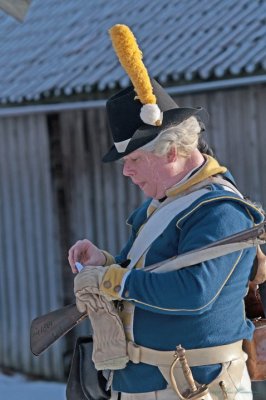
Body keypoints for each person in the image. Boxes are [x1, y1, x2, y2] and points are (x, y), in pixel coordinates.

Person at [68, 25, 264, 400]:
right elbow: (149, 274)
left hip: (193, 387)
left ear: (172, 152)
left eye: (135, 159)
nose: (126, 171)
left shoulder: (220, 211)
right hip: (154, 385)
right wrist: (106, 263)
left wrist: (115, 281)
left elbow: (195, 293)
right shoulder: (161, 206)